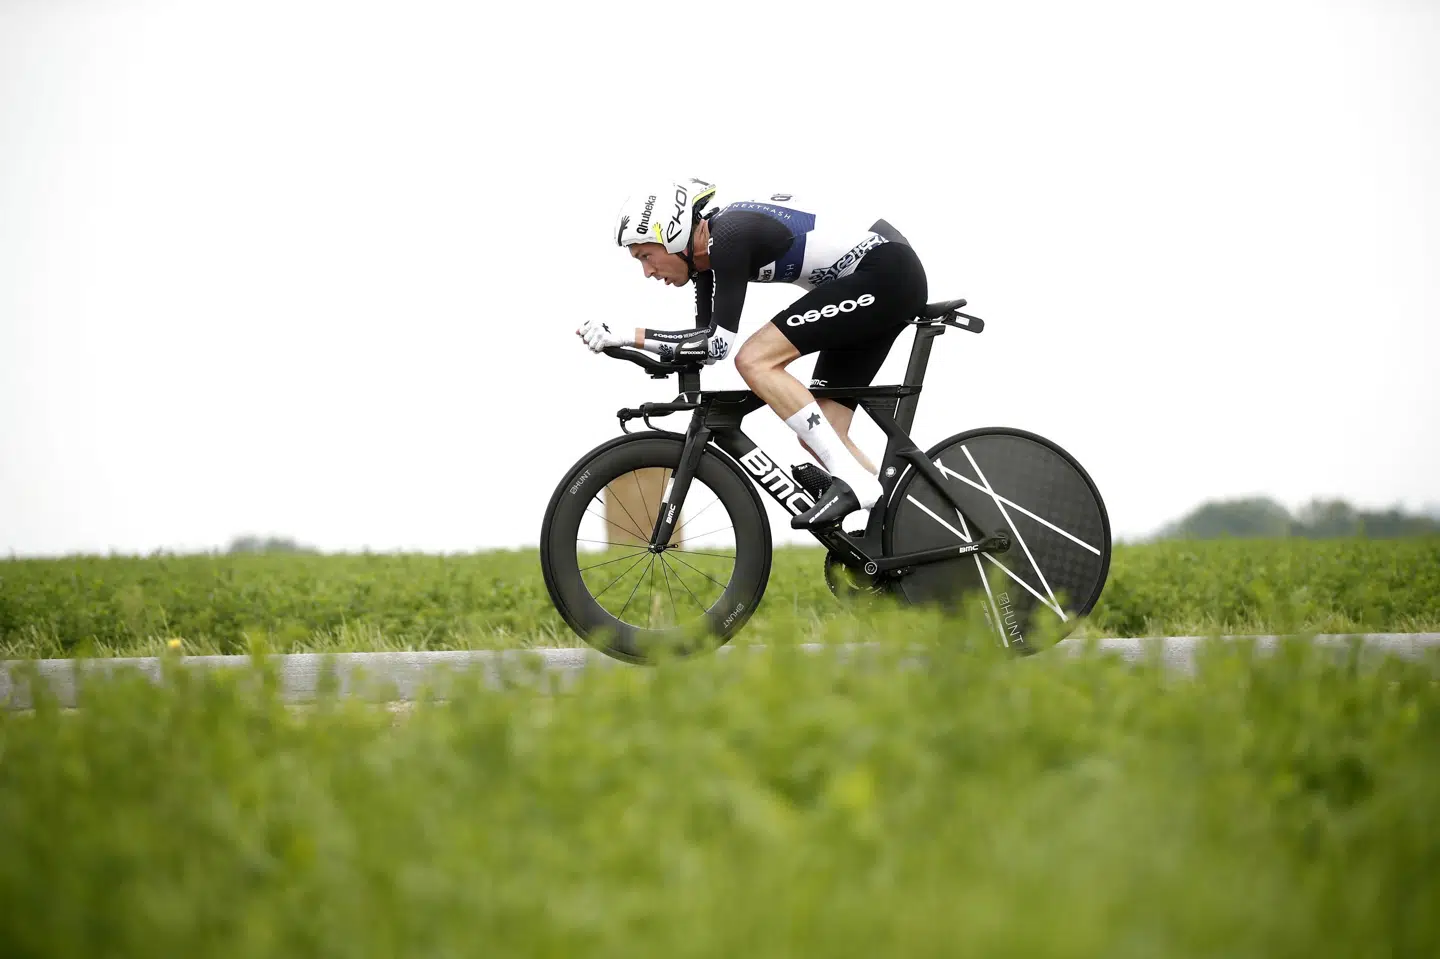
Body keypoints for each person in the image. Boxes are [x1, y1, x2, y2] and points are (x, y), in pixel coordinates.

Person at [577, 177, 928, 531]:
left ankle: (856, 482)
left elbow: (717, 344)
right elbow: (704, 345)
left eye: (646, 256)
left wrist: (627, 335)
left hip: (884, 274)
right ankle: (913, 524)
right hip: (877, 281)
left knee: (755, 359)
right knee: (822, 433)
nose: (647, 272)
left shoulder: (729, 235)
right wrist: (632, 349)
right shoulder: (708, 261)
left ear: (672, 233)